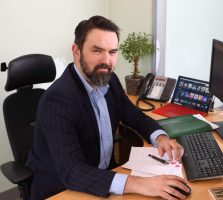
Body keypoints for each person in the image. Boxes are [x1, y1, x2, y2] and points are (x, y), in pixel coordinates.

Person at [26, 15, 190, 200]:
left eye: (112, 52)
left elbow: (133, 115)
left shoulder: (109, 80)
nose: (106, 60)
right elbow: (72, 171)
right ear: (77, 51)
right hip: (63, 190)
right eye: (97, 51)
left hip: (103, 178)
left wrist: (159, 137)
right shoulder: (58, 100)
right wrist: (139, 184)